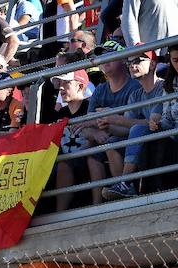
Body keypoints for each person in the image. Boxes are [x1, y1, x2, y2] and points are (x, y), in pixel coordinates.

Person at [73, 39, 140, 205]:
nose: (104, 59)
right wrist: (95, 132)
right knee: (92, 154)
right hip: (106, 138)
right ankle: (97, 205)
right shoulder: (100, 89)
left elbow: (134, 123)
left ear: (123, 59)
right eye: (101, 56)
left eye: (109, 54)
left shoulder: (134, 86)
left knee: (109, 145)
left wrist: (106, 126)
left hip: (128, 138)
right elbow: (86, 125)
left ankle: (124, 193)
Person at [101, 48, 165, 201]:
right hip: (146, 136)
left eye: (137, 61)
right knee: (110, 143)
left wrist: (117, 119)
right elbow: (125, 129)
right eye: (129, 62)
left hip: (164, 131)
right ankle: (122, 192)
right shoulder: (136, 94)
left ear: (152, 64)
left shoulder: (163, 87)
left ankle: (125, 183)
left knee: (137, 129)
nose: (131, 65)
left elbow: (153, 124)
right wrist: (107, 125)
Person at [52, 69, 91, 212]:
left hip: (87, 157)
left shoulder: (90, 107)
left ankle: (59, 212)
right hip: (68, 157)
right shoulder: (60, 114)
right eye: (60, 83)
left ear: (80, 86)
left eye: (66, 83)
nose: (61, 87)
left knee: (64, 164)